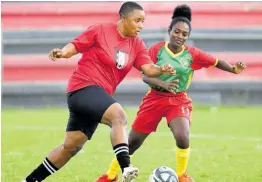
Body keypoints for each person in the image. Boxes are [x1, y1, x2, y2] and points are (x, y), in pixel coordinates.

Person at [22, 2, 175, 182]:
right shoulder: (100, 30)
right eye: (137, 20)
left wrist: (161, 69)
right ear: (124, 18)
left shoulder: (137, 44)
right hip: (82, 87)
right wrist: (62, 53)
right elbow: (76, 45)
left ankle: (30, 181)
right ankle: (126, 167)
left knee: (71, 146)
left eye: (143, 21)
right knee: (118, 116)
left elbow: (148, 68)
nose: (141, 25)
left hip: (98, 98)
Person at [96, 4, 247, 182]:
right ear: (169, 30)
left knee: (183, 136)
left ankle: (182, 175)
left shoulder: (192, 55)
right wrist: (162, 84)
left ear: (188, 37)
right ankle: (111, 176)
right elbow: (145, 75)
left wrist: (233, 69)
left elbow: (216, 61)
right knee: (132, 143)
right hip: (154, 100)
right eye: (177, 32)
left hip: (178, 100)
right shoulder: (156, 50)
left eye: (184, 34)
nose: (180, 36)